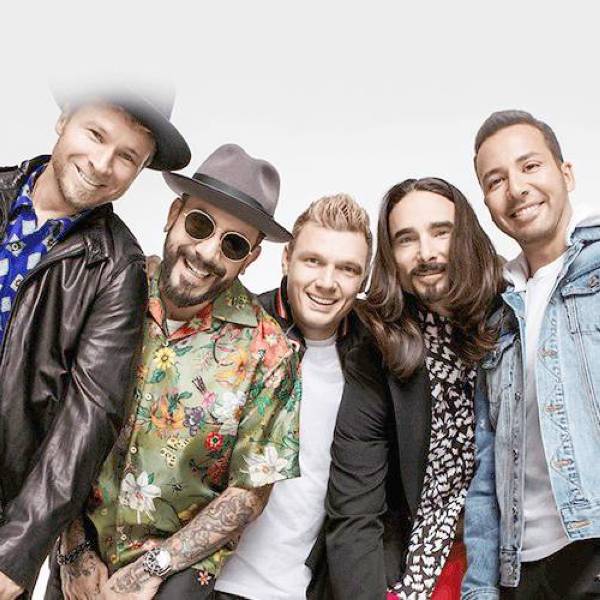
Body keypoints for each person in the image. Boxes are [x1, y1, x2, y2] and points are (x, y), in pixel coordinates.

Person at [49, 143, 301, 600]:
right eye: (200, 224)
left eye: (233, 244)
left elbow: (249, 493)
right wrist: (73, 547)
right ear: (173, 214)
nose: (207, 252)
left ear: (250, 259)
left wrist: (153, 567)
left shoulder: (270, 352)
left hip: (174, 578)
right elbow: (59, 419)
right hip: (78, 554)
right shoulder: (109, 290)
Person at [0, 83, 190, 599]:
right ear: (64, 118)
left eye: (127, 156)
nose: (103, 164)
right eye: (96, 134)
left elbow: (88, 419)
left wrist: (17, 552)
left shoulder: (117, 268)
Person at [327, 178, 504, 599]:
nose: (426, 253)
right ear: (391, 256)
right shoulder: (378, 347)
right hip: (418, 562)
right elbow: (355, 508)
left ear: (467, 236)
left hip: (515, 559)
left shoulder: (513, 318)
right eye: (406, 239)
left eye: (441, 232)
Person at [463, 110, 600, 600]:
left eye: (530, 166)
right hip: (523, 571)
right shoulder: (497, 310)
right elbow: (485, 469)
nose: (516, 188)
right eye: (496, 180)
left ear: (566, 173)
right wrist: (481, 587)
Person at [214, 193, 373, 600]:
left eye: (347, 269)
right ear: (286, 259)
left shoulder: (374, 360)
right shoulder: (235, 329)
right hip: (210, 583)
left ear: (364, 279)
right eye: (313, 261)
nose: (327, 282)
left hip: (305, 590)